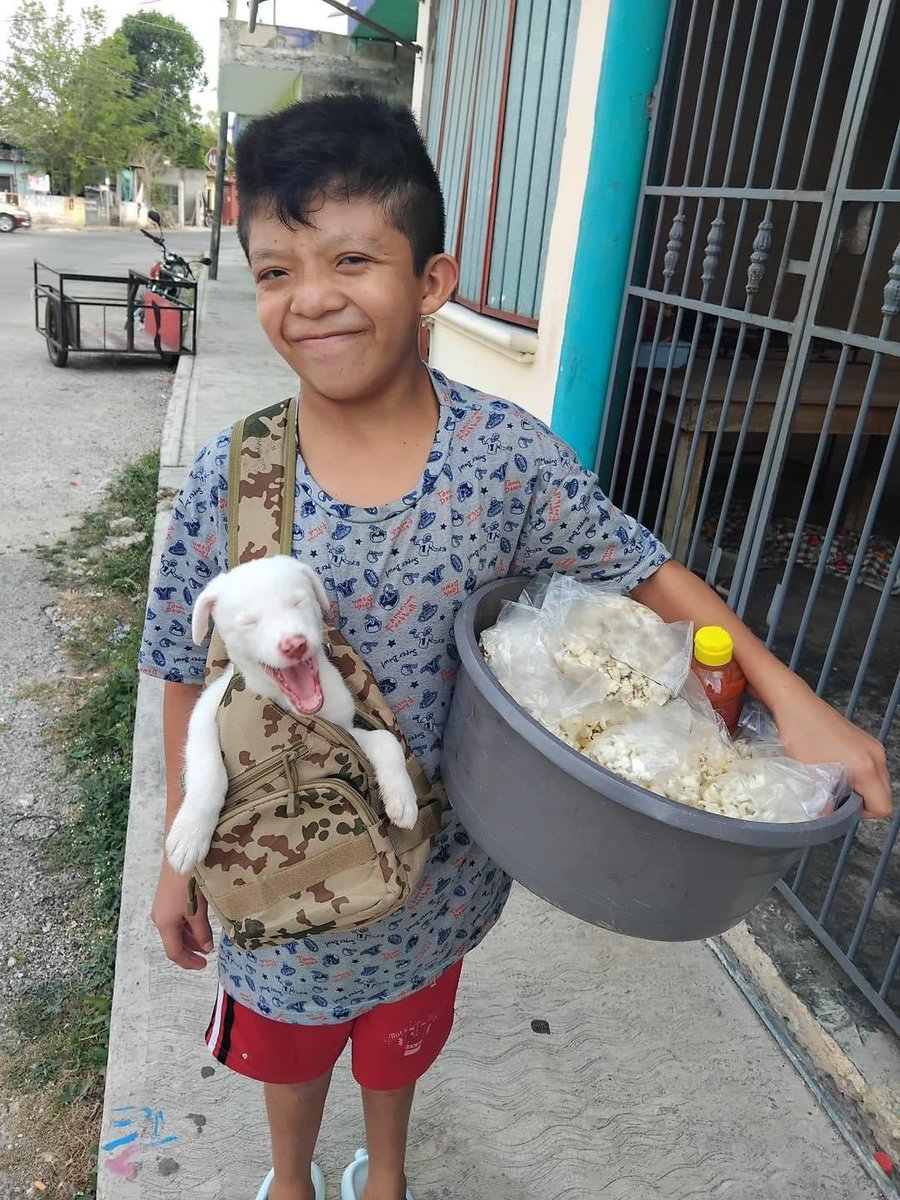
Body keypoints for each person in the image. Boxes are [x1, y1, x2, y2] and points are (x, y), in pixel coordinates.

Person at [142, 94, 891, 1200]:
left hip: (441, 873)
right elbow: (177, 665)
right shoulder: (230, 477)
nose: (310, 299)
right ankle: (292, 1179)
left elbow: (645, 567)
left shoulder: (504, 459)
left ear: (432, 283)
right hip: (278, 871)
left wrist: (791, 698)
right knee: (290, 1052)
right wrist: (181, 846)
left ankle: (384, 1175)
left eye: (351, 258)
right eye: (273, 271)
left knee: (401, 1038)